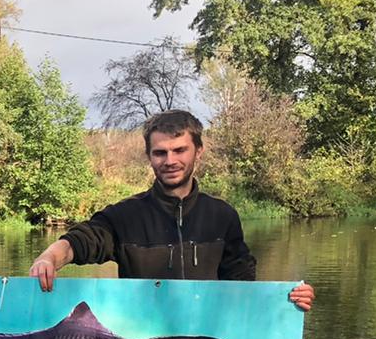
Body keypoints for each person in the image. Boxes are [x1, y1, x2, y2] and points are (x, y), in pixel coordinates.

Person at [28, 109, 315, 312]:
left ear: (198, 151)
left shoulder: (222, 217)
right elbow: (80, 242)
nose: (170, 160)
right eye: (160, 153)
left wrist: (287, 301)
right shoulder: (124, 217)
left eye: (179, 150)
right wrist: (49, 258)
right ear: (149, 156)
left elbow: (243, 289)